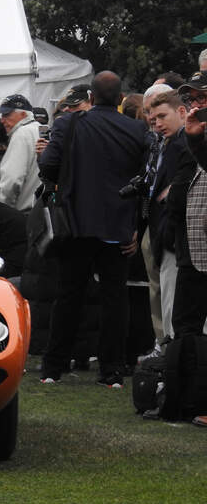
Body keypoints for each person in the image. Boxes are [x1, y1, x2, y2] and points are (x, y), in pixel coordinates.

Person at [38, 71, 149, 388]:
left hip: (76, 222)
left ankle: (53, 366)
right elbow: (145, 179)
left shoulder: (68, 124)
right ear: (119, 98)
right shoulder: (136, 129)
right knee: (115, 299)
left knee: (69, 295)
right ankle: (112, 369)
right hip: (117, 224)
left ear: (92, 96)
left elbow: (48, 167)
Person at [139, 91, 191, 355]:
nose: (156, 122)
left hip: (176, 239)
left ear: (181, 112)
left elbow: (176, 197)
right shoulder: (169, 144)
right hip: (168, 237)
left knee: (172, 305)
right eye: (152, 116)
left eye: (162, 116)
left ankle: (171, 359)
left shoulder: (184, 146)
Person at [176, 70, 207, 427]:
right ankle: (186, 398)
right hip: (192, 250)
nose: (196, 104)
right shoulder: (192, 135)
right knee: (187, 327)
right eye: (192, 98)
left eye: (202, 98)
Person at [0, 94, 41, 212]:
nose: (2, 120)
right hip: (41, 211)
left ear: (23, 114)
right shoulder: (41, 129)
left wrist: (5, 211)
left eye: (6, 114)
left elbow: (12, 180)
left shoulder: (22, 134)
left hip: (23, 214)